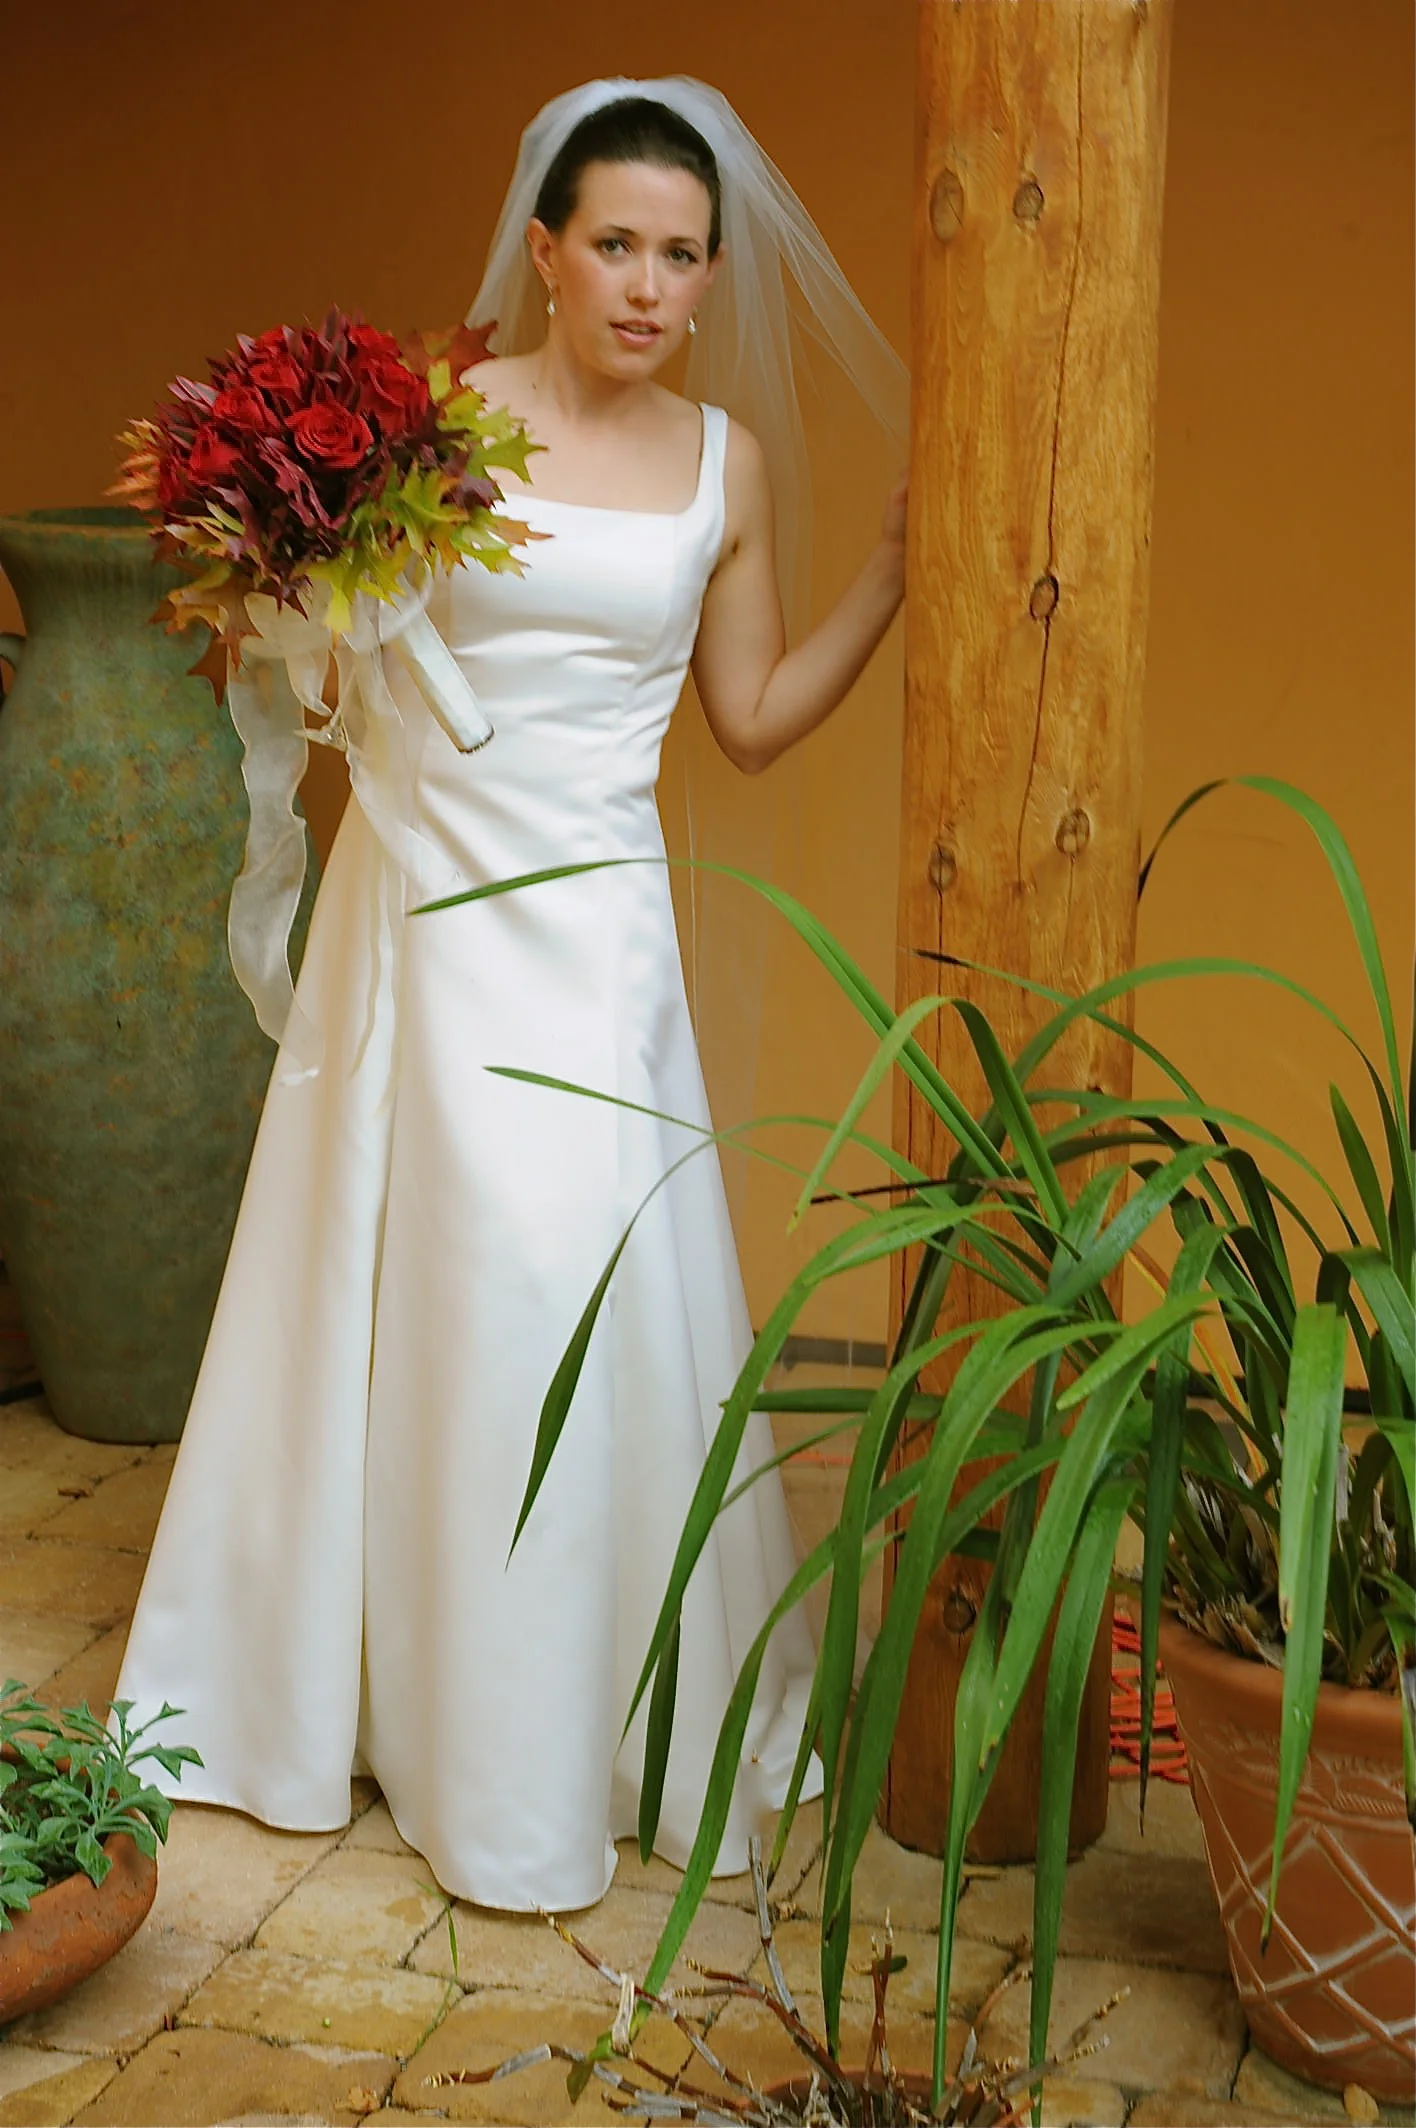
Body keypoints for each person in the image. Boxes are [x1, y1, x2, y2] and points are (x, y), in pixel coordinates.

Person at [112, 78, 908, 1914]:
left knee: (566, 1289)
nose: (648, 286)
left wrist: (887, 577)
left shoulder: (725, 465)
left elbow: (751, 720)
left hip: (597, 941)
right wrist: (290, 599)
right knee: (430, 1286)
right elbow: (330, 653)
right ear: (545, 252)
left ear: (710, 278)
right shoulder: (437, 423)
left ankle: (559, 1723)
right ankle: (371, 1697)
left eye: (682, 258)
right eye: (615, 244)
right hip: (424, 907)